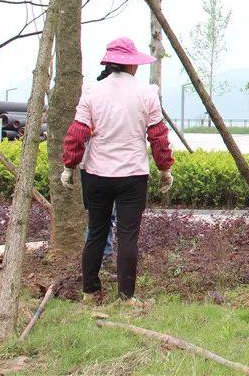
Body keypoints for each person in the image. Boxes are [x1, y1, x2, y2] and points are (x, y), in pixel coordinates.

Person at [61, 37, 175, 301]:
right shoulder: (148, 93)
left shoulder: (91, 91)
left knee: (97, 232)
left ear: (110, 64)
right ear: (132, 66)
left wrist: (68, 166)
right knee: (127, 236)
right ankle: (126, 296)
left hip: (96, 174)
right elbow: (158, 136)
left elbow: (77, 134)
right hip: (133, 175)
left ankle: (90, 291)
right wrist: (164, 169)